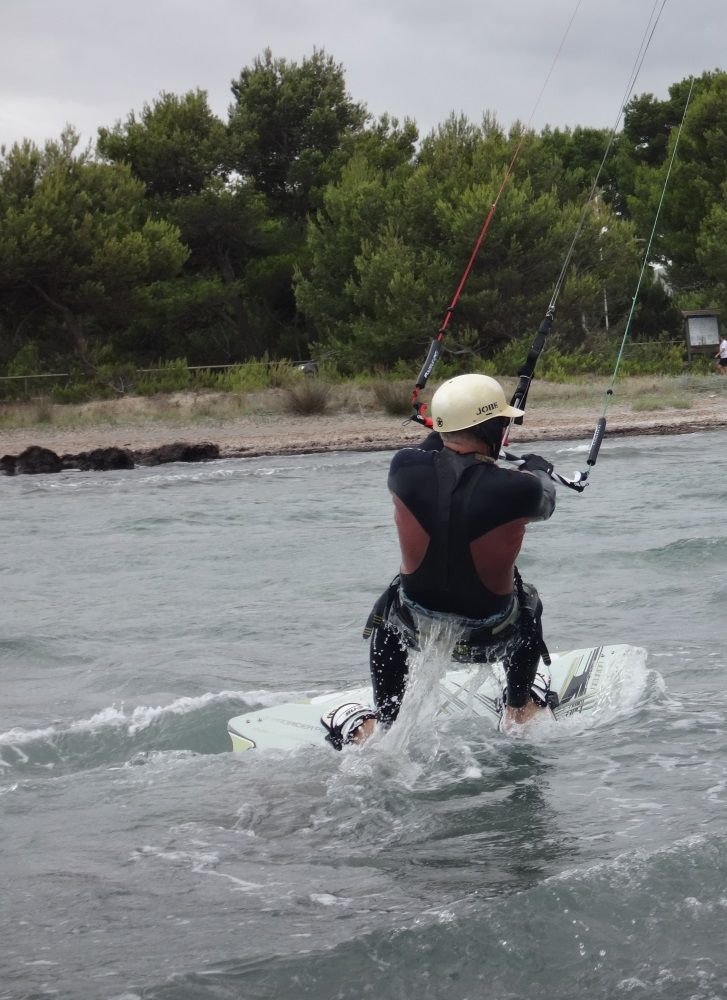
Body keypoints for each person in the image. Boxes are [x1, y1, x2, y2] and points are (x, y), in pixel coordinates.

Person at [321, 373, 558, 750]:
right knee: (529, 602)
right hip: (492, 630)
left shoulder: (403, 469)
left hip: (413, 622)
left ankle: (384, 727)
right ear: (495, 428)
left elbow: (435, 450)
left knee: (389, 612)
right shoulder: (520, 490)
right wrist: (539, 466)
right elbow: (547, 496)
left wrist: (452, 431)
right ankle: (518, 708)